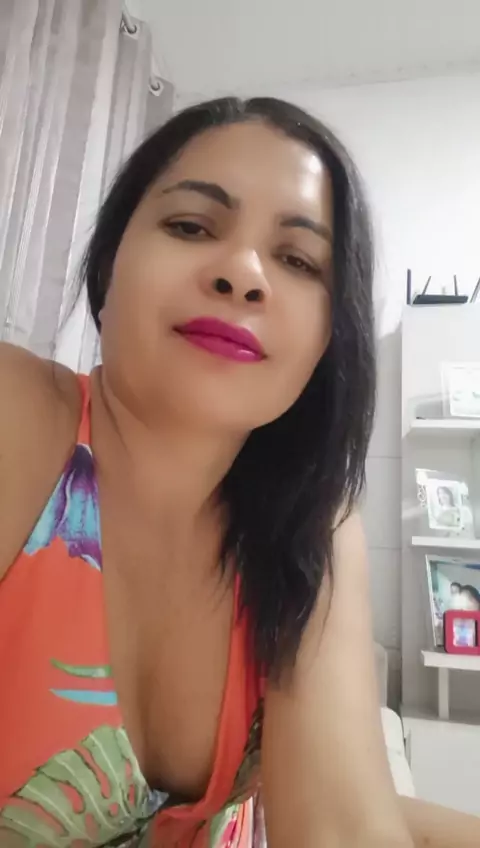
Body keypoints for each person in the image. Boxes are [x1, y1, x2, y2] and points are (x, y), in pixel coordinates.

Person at [1, 96, 479, 848]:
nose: (243, 273)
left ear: (329, 339)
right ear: (109, 263)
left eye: (298, 260)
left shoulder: (314, 523)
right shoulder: (18, 418)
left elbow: (342, 824)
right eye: (192, 226)